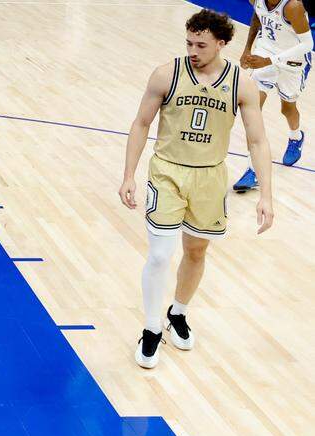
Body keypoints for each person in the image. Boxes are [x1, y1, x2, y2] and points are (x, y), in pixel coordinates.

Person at [118, 9, 275, 369]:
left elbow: (258, 141)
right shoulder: (166, 74)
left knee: (196, 252)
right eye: (189, 42)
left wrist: (266, 194)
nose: (192, 49)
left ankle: (179, 312)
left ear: (222, 43)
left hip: (210, 177)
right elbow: (141, 123)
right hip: (168, 173)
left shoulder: (241, 83)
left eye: (201, 44)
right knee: (159, 255)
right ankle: (152, 327)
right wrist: (129, 174)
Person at [233, 0, 313, 191]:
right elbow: (258, 15)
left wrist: (269, 60)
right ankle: (253, 170)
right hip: (265, 52)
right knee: (252, 108)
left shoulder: (293, 6)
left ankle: (296, 137)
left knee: (288, 108)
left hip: (292, 61)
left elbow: (308, 44)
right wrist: (248, 48)